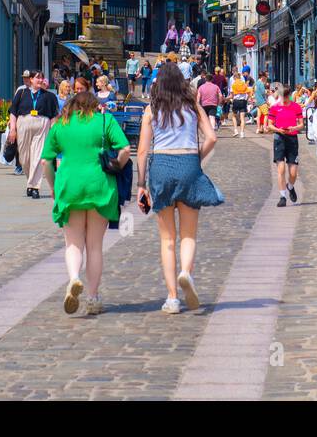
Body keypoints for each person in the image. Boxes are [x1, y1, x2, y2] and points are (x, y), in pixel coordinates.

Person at [136, 61, 222, 314]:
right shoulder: (192, 106)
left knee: (167, 239)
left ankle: (172, 298)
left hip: (161, 165)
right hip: (188, 163)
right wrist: (196, 158)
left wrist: (141, 185)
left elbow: (141, 151)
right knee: (188, 235)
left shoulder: (151, 109)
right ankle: (186, 272)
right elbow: (212, 137)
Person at [39, 89, 130, 316]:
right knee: (95, 246)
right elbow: (125, 149)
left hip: (69, 187)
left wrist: (52, 187)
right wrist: (116, 166)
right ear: (93, 104)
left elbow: (45, 161)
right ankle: (92, 297)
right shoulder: (103, 120)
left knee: (73, 244)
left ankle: (74, 278)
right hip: (99, 185)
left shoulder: (61, 124)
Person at [8, 71, 61, 198]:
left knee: (37, 156)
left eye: (42, 78)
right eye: (37, 77)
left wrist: (54, 133)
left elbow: (54, 116)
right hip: (23, 124)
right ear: (31, 79)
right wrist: (13, 129)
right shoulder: (21, 93)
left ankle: (34, 186)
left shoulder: (49, 96)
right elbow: (13, 112)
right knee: (24, 158)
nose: (40, 80)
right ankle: (30, 180)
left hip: (42, 125)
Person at [267, 82, 304, 207]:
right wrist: (278, 129)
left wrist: (294, 127)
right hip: (279, 138)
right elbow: (270, 125)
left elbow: (301, 124)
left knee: (293, 172)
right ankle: (282, 196)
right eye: (282, 96)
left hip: (292, 139)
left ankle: (290, 186)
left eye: (286, 96)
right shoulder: (275, 108)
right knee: (281, 169)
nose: (284, 99)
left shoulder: (296, 107)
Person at [228, 70, 251, 138]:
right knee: (242, 118)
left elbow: (231, 96)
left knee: (234, 116)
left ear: (235, 78)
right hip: (243, 102)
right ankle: (242, 133)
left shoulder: (234, 85)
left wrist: (226, 99)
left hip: (236, 101)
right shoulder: (244, 84)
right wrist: (246, 99)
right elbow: (249, 93)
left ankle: (235, 130)